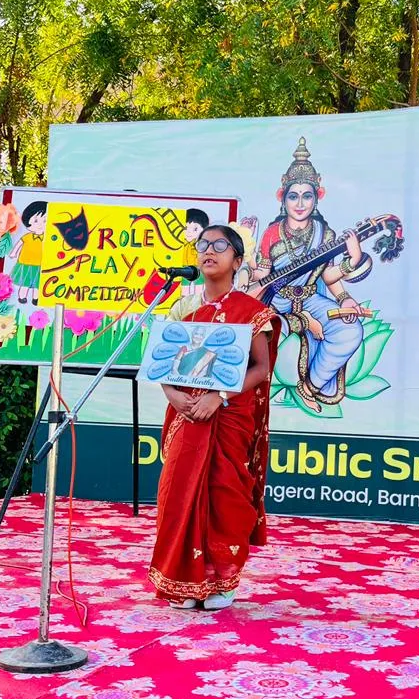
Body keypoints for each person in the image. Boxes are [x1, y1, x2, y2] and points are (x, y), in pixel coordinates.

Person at [149, 225, 280, 611]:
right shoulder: (181, 308)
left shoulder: (251, 312)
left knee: (225, 495)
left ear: (237, 261)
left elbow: (261, 368)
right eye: (203, 244)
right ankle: (182, 582)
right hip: (186, 414)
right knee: (177, 493)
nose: (209, 250)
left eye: (220, 245)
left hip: (228, 414)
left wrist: (218, 396)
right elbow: (164, 362)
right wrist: (174, 394)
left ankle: (221, 580)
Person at [248, 138, 371, 412]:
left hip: (311, 299)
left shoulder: (324, 234)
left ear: (317, 197)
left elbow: (328, 275)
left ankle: (311, 386)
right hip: (276, 303)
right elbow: (263, 274)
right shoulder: (272, 233)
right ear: (283, 198)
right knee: (264, 339)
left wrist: (347, 287)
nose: (300, 203)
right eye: (294, 196)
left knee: (351, 330)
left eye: (307, 196)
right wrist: (245, 261)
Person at [8, 201, 47, 305]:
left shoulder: (47, 239)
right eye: (36, 220)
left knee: (37, 284)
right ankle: (22, 297)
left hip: (40, 265)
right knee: (25, 283)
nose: (40, 224)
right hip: (25, 263)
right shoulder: (27, 237)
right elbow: (19, 244)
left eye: (45, 220)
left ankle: (35, 299)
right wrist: (13, 253)